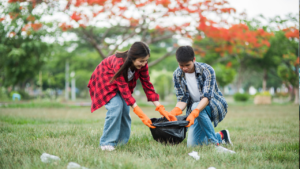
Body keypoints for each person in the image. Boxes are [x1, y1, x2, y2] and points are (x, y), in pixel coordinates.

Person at [87, 41, 177, 151]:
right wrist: (140, 113)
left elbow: (147, 85)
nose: (144, 64)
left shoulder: (143, 65)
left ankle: (121, 143)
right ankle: (106, 143)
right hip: (106, 82)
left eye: (146, 60)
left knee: (125, 111)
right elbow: (123, 88)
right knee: (116, 107)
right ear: (132, 58)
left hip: (122, 85)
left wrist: (160, 108)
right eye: (141, 61)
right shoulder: (119, 62)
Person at [169, 46, 233, 149]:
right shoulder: (177, 74)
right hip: (195, 112)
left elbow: (207, 97)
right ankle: (221, 136)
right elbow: (182, 99)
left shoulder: (207, 70)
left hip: (212, 106)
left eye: (187, 65)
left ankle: (215, 143)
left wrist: (195, 111)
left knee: (195, 106)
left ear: (194, 59)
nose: (184, 68)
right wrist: (175, 111)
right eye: (181, 65)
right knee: (193, 145)